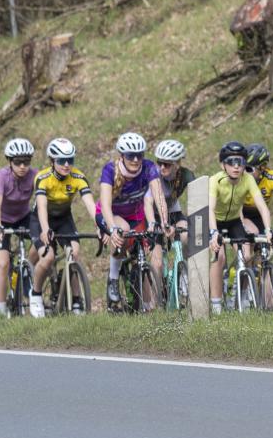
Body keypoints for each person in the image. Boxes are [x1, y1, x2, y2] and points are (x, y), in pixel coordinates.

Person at [29, 138, 101, 317]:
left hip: (63, 219)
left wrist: (100, 225)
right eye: (61, 161)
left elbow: (90, 205)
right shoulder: (43, 177)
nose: (67, 164)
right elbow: (42, 206)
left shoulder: (78, 177)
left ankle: (76, 300)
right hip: (41, 219)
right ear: (52, 161)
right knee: (47, 257)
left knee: (74, 253)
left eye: (70, 160)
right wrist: (45, 229)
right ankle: (35, 294)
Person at [97, 132, 170, 307]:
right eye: (131, 156)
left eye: (140, 155)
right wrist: (112, 228)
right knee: (121, 235)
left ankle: (148, 303)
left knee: (146, 255)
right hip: (112, 215)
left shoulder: (149, 167)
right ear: (122, 156)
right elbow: (105, 204)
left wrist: (164, 221)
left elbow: (159, 197)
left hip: (136, 216)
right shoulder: (110, 170)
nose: (136, 159)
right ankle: (113, 279)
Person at [208, 141, 273, 315]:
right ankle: (216, 305)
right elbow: (210, 209)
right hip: (216, 221)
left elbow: (262, 207)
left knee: (246, 255)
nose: (236, 167)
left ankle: (240, 297)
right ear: (223, 164)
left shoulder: (248, 179)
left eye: (241, 162)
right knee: (219, 256)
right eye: (231, 162)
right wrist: (214, 233)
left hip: (234, 221)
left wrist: (267, 230)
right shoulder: (216, 180)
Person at [0, 138, 39, 315]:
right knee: (3, 263)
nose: (22, 166)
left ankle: (27, 270)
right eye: (18, 162)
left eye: (26, 161)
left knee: (41, 243)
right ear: (10, 162)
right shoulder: (2, 176)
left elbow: (43, 198)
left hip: (23, 216)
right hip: (0, 219)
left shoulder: (35, 175)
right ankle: (0, 308)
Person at [152, 139, 195, 246]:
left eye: (166, 164)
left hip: (172, 210)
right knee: (157, 262)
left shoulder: (186, 175)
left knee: (187, 235)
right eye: (159, 162)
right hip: (151, 214)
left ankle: (184, 262)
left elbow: (198, 198)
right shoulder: (153, 174)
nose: (162, 167)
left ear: (177, 164)